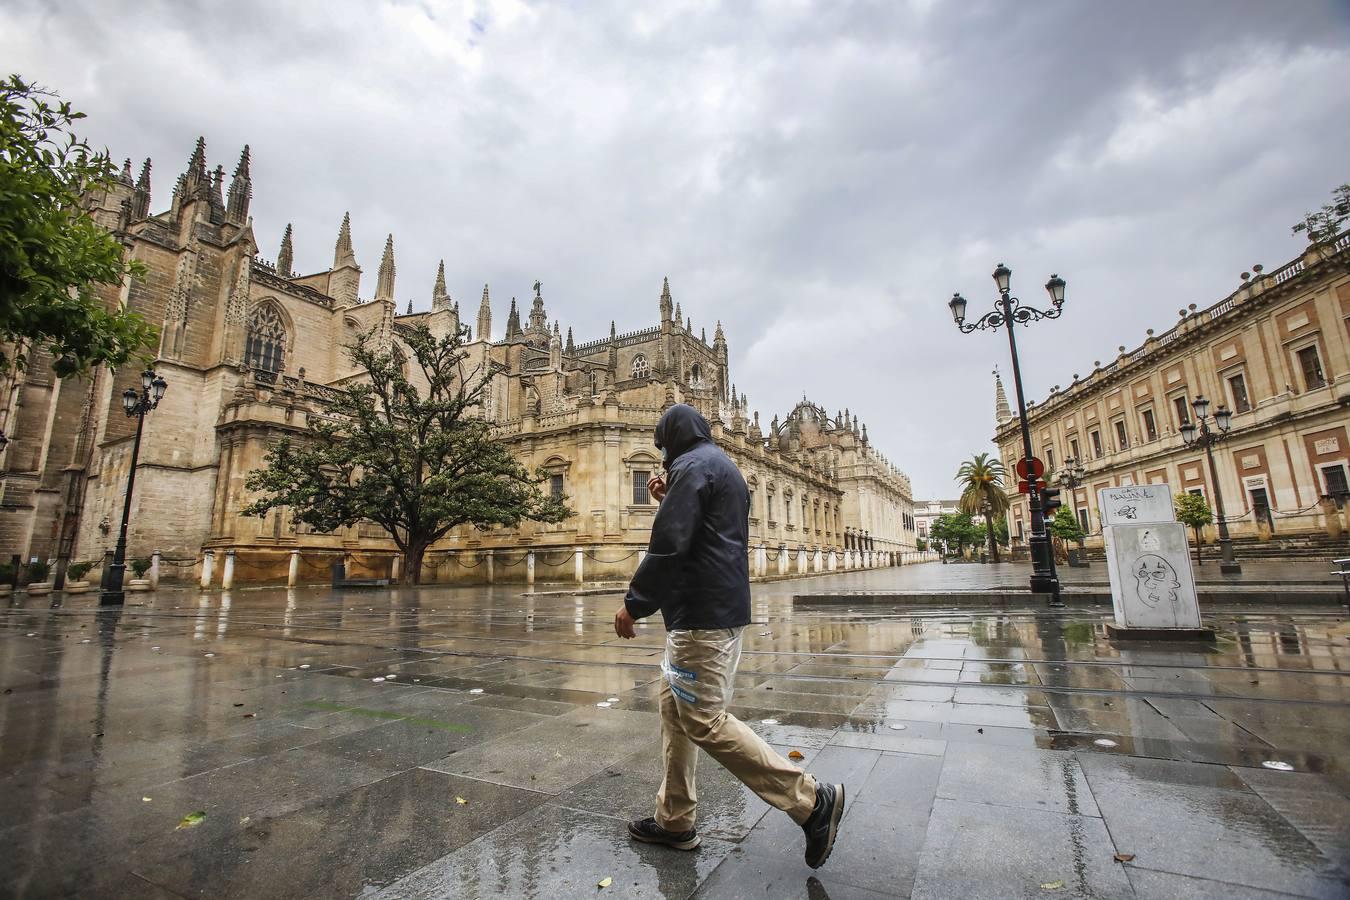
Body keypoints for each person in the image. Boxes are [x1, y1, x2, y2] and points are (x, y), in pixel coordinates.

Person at [613, 403, 844, 869]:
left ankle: (810, 800)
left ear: (672, 439)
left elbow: (672, 541)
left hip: (700, 616)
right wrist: (670, 495)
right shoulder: (723, 466)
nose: (661, 460)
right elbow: (710, 530)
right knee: (674, 709)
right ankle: (675, 820)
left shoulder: (690, 466)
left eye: (662, 449)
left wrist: (635, 602)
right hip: (721, 607)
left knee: (703, 720)